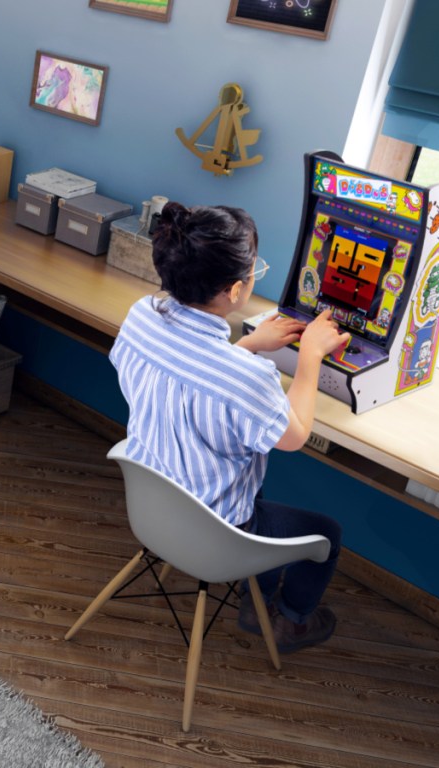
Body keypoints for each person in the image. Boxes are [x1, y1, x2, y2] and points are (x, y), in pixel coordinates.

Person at [109, 201, 350, 653]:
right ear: (237, 290)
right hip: (220, 535)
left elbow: (192, 374)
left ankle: (255, 596)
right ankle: (293, 621)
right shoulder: (248, 379)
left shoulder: (140, 315)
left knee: (256, 493)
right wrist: (311, 356)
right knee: (329, 534)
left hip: (152, 510)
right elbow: (294, 436)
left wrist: (247, 345)